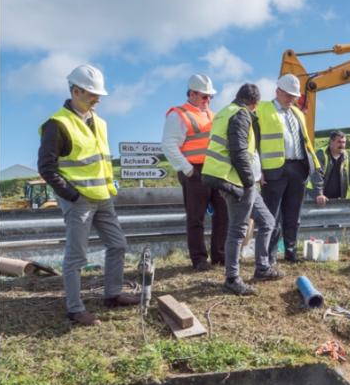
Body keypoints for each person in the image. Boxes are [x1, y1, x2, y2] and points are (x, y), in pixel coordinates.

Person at [37, 64, 138, 326]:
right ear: (75, 91)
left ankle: (113, 294)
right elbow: (46, 168)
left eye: (99, 94)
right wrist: (71, 196)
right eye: (93, 94)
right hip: (79, 202)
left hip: (103, 198)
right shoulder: (57, 124)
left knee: (118, 244)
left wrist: (109, 190)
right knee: (77, 257)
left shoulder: (100, 123)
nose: (98, 99)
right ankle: (75, 308)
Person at [202, 84, 281, 296]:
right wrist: (248, 182)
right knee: (238, 230)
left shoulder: (224, 112)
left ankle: (262, 268)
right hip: (236, 181)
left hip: (237, 179)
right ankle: (232, 279)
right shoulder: (241, 114)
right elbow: (238, 151)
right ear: (254, 103)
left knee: (267, 221)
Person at [255, 74, 326, 265]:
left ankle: (291, 251)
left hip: (298, 168)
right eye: (287, 95)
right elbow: (254, 141)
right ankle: (269, 256)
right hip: (273, 170)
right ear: (277, 91)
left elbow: (305, 141)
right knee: (272, 216)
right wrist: (257, 170)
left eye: (294, 96)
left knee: (293, 214)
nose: (291, 99)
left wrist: (313, 167)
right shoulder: (262, 109)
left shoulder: (298, 113)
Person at [161, 74, 228, 271]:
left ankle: (220, 256)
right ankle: (199, 259)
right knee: (196, 217)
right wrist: (188, 170)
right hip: (194, 171)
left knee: (223, 213)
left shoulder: (212, 115)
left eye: (210, 97)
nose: (208, 100)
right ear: (192, 94)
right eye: (205, 96)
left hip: (214, 170)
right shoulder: (178, 115)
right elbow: (169, 145)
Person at [315, 131, 350, 202]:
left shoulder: (347, 156)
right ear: (331, 142)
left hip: (338, 199)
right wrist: (319, 194)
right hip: (318, 198)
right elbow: (317, 175)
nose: (342, 145)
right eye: (339, 142)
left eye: (344, 142)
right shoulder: (321, 154)